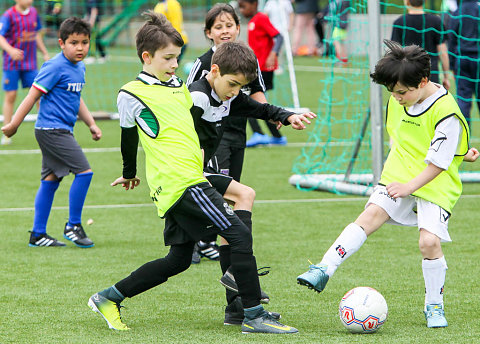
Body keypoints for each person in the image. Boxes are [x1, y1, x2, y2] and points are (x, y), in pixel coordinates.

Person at [87, 11, 299, 334]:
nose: (175, 65)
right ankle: (252, 313)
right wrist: (129, 172)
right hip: (181, 182)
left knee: (180, 258)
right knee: (238, 234)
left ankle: (109, 297)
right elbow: (128, 139)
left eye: (177, 57)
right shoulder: (130, 93)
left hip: (190, 174)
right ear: (147, 57)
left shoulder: (176, 86)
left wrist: (275, 113)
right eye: (168, 58)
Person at [296, 40, 478, 329]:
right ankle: (323, 268)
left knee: (429, 242)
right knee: (370, 216)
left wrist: (410, 186)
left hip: (436, 180)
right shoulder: (398, 98)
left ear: (423, 81)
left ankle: (434, 305)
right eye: (391, 92)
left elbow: (438, 164)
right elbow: (408, 138)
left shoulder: (447, 112)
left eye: (402, 92)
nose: (396, 98)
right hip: (400, 169)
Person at [188, 41, 316, 325]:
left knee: (242, 199)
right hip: (185, 176)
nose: (235, 93)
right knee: (179, 258)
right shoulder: (196, 97)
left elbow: (257, 108)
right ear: (215, 69)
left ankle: (239, 304)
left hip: (199, 172)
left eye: (239, 87)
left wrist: (288, 116)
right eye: (233, 85)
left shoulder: (228, 96)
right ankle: (112, 296)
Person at [1, 17, 101, 248]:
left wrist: (91, 123)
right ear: (61, 43)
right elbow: (32, 95)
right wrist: (14, 124)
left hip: (60, 130)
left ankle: (38, 234)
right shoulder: (54, 66)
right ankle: (73, 225)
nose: (80, 47)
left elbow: (77, 99)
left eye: (84, 42)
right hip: (51, 130)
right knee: (84, 172)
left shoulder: (80, 67)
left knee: (51, 180)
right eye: (74, 42)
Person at [186, 3, 266, 262]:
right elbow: (188, 101)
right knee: (214, 188)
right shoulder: (203, 63)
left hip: (238, 134)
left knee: (234, 192)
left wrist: (272, 115)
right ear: (209, 32)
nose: (224, 31)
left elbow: (256, 93)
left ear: (238, 28)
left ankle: (220, 245)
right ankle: (198, 239)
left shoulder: (246, 60)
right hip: (213, 136)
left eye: (229, 25)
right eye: (218, 27)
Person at [238, 0, 288, 148]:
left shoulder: (261, 18)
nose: (241, 10)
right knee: (255, 102)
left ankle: (259, 134)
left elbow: (279, 37)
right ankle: (276, 137)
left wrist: (274, 53)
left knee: (248, 101)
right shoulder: (253, 21)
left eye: (243, 6)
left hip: (264, 69)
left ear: (254, 5)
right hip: (255, 69)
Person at [0, 0, 49, 145]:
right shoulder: (9, 15)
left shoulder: (34, 13)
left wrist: (45, 52)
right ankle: (7, 133)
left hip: (30, 63)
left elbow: (36, 35)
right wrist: (11, 50)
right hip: (11, 63)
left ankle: (44, 131)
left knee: (40, 95)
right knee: (11, 95)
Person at [391, 0, 450, 89]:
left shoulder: (399, 22)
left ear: (407, 2)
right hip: (430, 74)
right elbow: (443, 53)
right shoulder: (436, 21)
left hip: (408, 73)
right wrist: (446, 77)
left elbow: (394, 53)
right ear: (425, 1)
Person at [448, 0, 480, 126]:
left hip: (462, 61)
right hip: (477, 58)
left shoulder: (457, 12)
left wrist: (451, 64)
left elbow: (451, 39)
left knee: (463, 100)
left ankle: (464, 138)